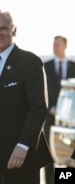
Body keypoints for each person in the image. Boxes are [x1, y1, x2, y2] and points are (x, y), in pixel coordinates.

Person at [0, 10, 53, 184]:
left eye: (4, 28)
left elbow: (38, 109)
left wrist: (23, 146)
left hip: (20, 159)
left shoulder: (30, 62)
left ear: (14, 30)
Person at [43, 35, 75, 184]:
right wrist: (50, 108)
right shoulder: (46, 66)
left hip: (69, 122)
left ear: (65, 46)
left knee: (68, 156)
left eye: (58, 44)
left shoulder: (73, 66)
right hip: (50, 119)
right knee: (48, 156)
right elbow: (40, 92)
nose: (55, 47)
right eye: (53, 44)